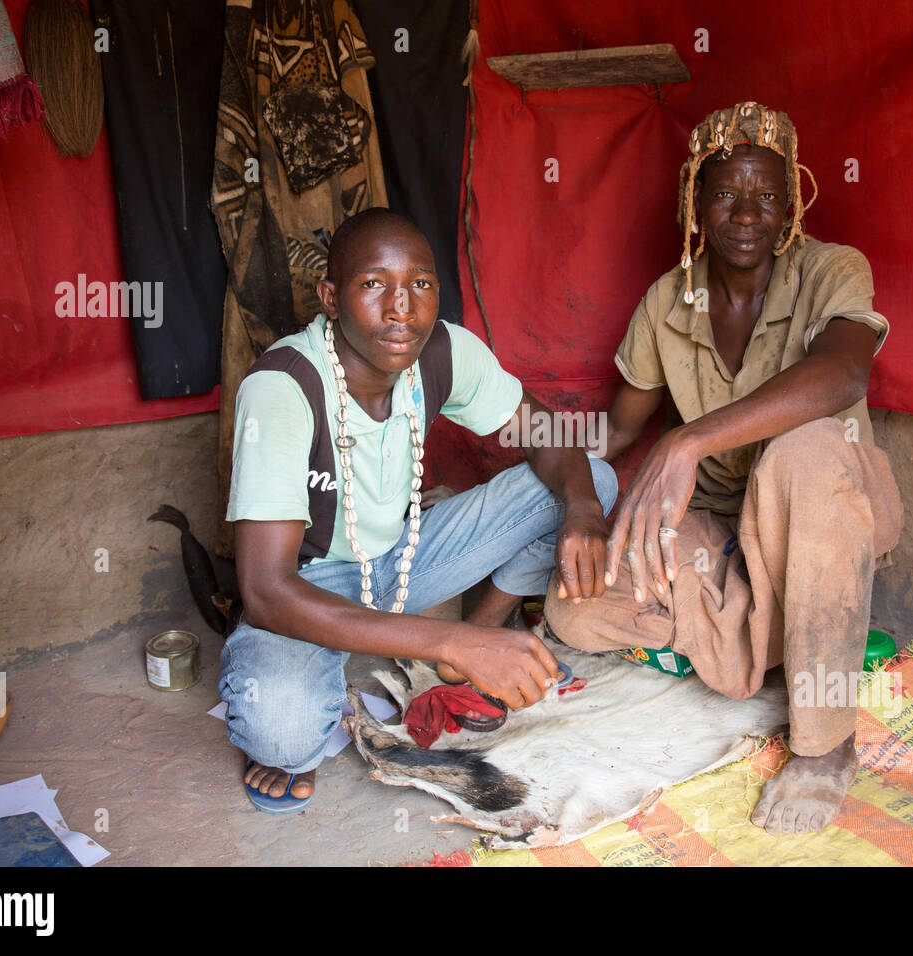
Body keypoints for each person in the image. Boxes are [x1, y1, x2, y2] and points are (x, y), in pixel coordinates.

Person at [543, 102, 903, 834]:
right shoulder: (667, 303)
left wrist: (687, 443)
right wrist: (558, 474)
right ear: (694, 203)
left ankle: (825, 744)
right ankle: (788, 635)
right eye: (726, 194)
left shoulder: (830, 269)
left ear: (792, 202)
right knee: (573, 609)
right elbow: (615, 431)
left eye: (768, 195)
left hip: (826, 508)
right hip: (726, 536)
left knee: (800, 452)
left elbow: (842, 377)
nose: (747, 214)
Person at [219, 207, 617, 812]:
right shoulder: (282, 387)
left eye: (420, 285)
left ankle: (484, 634)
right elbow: (267, 589)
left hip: (405, 558)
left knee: (592, 484)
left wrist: (583, 513)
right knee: (281, 733)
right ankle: (304, 668)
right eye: (374, 284)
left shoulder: (442, 351)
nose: (401, 308)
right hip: (303, 584)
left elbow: (544, 433)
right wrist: (446, 641)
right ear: (330, 296)